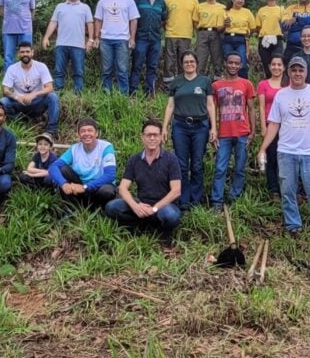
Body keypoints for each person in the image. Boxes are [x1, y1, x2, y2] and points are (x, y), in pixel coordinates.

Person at [257, 56, 310, 250]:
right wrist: (263, 147)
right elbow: (274, 123)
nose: (297, 73)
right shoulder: (281, 95)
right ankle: (293, 226)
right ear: (289, 73)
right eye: (294, 70)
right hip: (286, 151)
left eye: (300, 70)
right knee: (287, 192)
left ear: (306, 72)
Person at [104, 119, 182, 246]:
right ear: (142, 137)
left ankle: (163, 234)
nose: (152, 138)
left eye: (155, 135)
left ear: (161, 137)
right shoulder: (134, 160)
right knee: (111, 207)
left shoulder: (171, 159)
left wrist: (155, 208)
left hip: (163, 206)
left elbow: (176, 190)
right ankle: (137, 225)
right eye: (148, 135)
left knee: (171, 216)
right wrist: (135, 206)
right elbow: (123, 188)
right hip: (141, 204)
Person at [162, 51, 217, 211]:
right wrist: (165, 127)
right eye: (186, 62)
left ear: (197, 63)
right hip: (180, 125)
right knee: (181, 164)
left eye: (192, 61)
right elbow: (170, 106)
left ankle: (196, 199)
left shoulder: (205, 81)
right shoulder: (176, 82)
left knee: (198, 164)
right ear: (182, 64)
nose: (189, 64)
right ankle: (183, 200)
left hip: (200, 126)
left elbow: (210, 105)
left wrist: (214, 127)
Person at [211, 53, 256, 210]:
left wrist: (252, 131)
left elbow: (251, 109)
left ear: (241, 65)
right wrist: (213, 130)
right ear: (225, 63)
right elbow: (213, 109)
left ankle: (234, 197)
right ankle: (217, 200)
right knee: (220, 168)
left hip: (242, 132)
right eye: (230, 62)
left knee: (239, 168)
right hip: (223, 134)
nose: (233, 66)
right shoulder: (216, 85)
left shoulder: (246, 84)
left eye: (237, 63)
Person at [48, 118, 117, 209]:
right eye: (83, 131)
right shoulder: (74, 149)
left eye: (90, 130)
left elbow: (110, 175)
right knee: (63, 169)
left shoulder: (106, 147)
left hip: (97, 187)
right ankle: (72, 209)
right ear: (78, 134)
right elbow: (53, 167)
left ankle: (98, 210)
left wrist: (85, 187)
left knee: (107, 191)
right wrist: (63, 183)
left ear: (96, 133)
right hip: (79, 188)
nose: (86, 134)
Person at [42, 0, 94, 94]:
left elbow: (90, 24)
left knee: (78, 71)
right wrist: (46, 37)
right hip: (61, 44)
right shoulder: (60, 6)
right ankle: (58, 92)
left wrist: (90, 40)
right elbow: (53, 22)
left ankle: (78, 93)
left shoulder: (85, 7)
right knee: (59, 71)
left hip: (79, 45)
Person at [0, 42, 60, 137]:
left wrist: (34, 94)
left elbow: (49, 87)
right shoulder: (12, 69)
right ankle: (17, 122)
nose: (25, 54)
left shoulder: (41, 66)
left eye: (27, 51)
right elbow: (5, 90)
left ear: (32, 53)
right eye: (22, 52)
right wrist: (16, 97)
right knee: (2, 102)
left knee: (53, 97)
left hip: (36, 102)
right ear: (18, 54)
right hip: (19, 103)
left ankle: (51, 130)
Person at [94, 0, 140, 95]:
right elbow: (98, 20)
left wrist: (132, 37)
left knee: (122, 69)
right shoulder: (103, 1)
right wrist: (96, 37)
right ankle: (106, 94)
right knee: (106, 69)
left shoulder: (128, 1)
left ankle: (123, 95)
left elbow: (133, 20)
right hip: (105, 39)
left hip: (122, 39)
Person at [130, 0, 167, 96]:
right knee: (137, 65)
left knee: (152, 66)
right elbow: (131, 17)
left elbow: (164, 19)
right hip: (140, 38)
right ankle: (133, 92)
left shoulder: (162, 2)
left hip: (155, 39)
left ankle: (150, 92)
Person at [256, 54, 286, 197]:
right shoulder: (263, 84)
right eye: (273, 64)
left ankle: (286, 187)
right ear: (269, 67)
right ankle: (273, 188)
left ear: (284, 67)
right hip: (270, 124)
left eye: (279, 65)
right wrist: (263, 127)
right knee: (271, 156)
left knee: (285, 157)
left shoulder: (288, 84)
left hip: (287, 126)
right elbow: (261, 107)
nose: (276, 67)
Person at [162, 0, 199, 86]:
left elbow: (196, 20)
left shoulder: (193, 0)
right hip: (170, 34)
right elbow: (164, 17)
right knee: (169, 61)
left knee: (184, 60)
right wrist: (167, 29)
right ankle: (168, 85)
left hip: (186, 35)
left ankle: (183, 83)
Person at [0, 0, 35, 71]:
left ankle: (26, 80)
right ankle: (8, 83)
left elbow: (32, 9)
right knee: (8, 57)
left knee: (26, 56)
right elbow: (1, 8)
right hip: (8, 29)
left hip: (25, 30)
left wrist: (25, 21)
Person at [221, 0, 256, 79]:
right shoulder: (225, 11)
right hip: (228, 38)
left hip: (241, 39)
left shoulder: (247, 12)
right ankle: (229, 82)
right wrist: (224, 25)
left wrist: (248, 33)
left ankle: (243, 83)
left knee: (242, 62)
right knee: (228, 61)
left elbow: (253, 27)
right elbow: (219, 27)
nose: (240, 0)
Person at [194, 0, 225, 77]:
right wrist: (200, 31)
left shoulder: (223, 7)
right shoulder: (199, 6)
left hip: (217, 33)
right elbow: (195, 21)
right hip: (202, 33)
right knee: (201, 58)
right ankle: (199, 81)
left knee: (217, 59)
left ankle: (217, 81)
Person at [255, 0, 285, 79]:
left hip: (277, 39)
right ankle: (268, 84)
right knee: (266, 64)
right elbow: (258, 26)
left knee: (276, 62)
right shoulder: (261, 10)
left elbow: (284, 25)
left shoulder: (281, 9)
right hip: (264, 39)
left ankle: (279, 85)